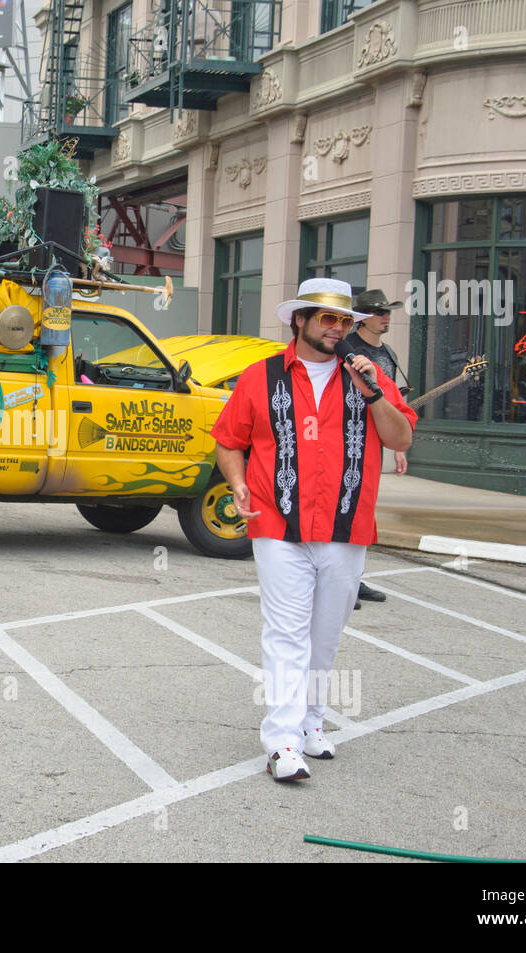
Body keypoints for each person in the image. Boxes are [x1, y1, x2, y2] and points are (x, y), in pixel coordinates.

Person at [212, 278, 416, 782]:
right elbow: (228, 440)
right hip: (277, 526)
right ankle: (281, 741)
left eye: (345, 321)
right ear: (299, 320)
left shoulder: (369, 379)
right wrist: (238, 484)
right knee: (286, 634)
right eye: (327, 318)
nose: (338, 328)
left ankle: (311, 722)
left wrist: (372, 391)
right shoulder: (260, 378)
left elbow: (400, 436)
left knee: (325, 636)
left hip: (347, 527)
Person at [346, 288, 409, 606]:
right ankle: (341, 584)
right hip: (346, 440)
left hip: (373, 440)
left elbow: (395, 402)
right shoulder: (348, 349)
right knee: (344, 508)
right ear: (363, 318)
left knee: (364, 511)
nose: (385, 318)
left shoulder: (390, 355)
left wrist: (399, 445)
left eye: (388, 312)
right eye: (379, 312)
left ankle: (353, 580)